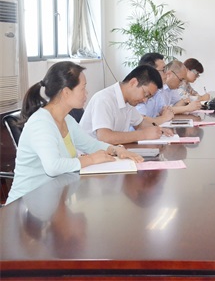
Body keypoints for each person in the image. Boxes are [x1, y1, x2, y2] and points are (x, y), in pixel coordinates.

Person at [6, 62, 142, 205]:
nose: (86, 93)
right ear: (66, 92)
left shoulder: (67, 120)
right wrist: (91, 159)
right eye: (83, 88)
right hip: (26, 205)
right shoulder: (41, 123)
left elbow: (91, 145)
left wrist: (115, 150)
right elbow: (53, 167)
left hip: (52, 199)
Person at [80, 65, 173, 145]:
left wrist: (159, 130)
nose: (145, 100)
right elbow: (105, 137)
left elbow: (140, 123)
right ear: (133, 82)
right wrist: (143, 134)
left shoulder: (128, 101)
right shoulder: (104, 99)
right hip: (90, 156)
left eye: (149, 97)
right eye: (145, 94)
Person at [136, 53, 174, 125]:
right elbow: (141, 122)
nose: (167, 73)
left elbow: (165, 110)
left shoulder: (157, 91)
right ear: (151, 71)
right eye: (163, 70)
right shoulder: (139, 90)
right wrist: (164, 118)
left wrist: (164, 114)